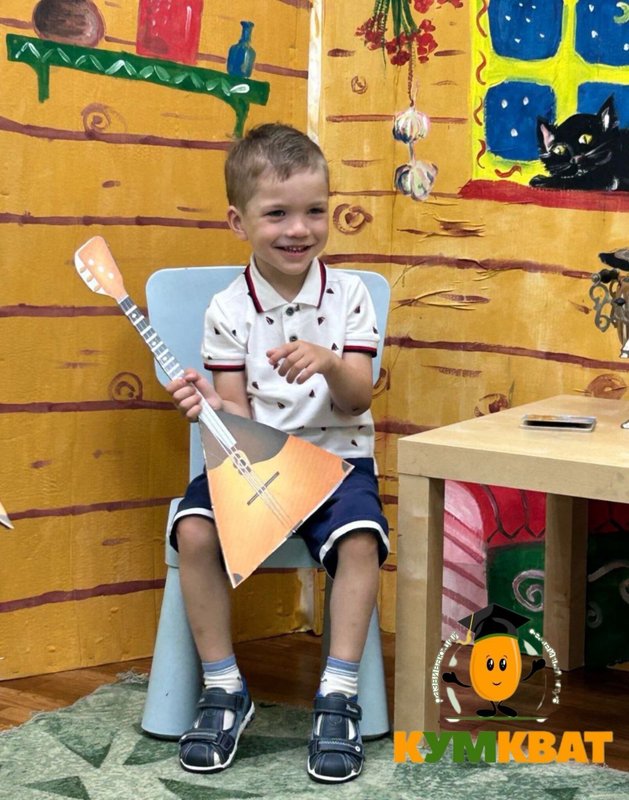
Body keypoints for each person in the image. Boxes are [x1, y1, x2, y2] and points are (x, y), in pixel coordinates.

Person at [166, 123, 389, 785]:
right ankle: (223, 685)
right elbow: (236, 421)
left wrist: (329, 361)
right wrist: (208, 403)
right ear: (238, 222)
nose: (299, 229)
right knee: (194, 530)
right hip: (255, 463)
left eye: (315, 211)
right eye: (277, 214)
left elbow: (356, 398)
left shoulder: (348, 297)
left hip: (339, 458)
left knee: (360, 540)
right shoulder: (226, 309)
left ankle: (339, 692)